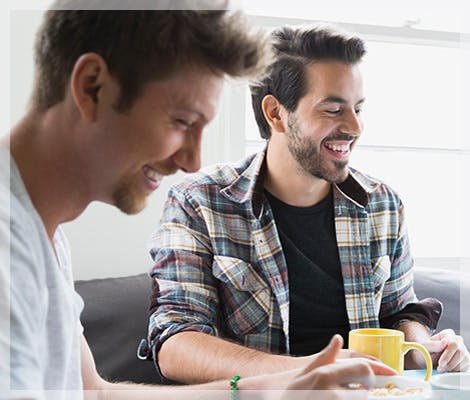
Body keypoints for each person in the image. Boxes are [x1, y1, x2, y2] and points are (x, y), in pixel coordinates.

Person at [0, 1, 397, 399]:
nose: (191, 161)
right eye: (182, 122)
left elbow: (94, 393)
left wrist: (276, 388)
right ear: (92, 87)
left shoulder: (40, 232)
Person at [146, 24, 470, 384]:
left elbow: (397, 314)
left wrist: (426, 347)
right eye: (333, 110)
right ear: (275, 114)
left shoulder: (383, 205)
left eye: (358, 108)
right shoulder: (199, 202)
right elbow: (175, 343)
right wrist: (309, 370)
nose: (355, 126)